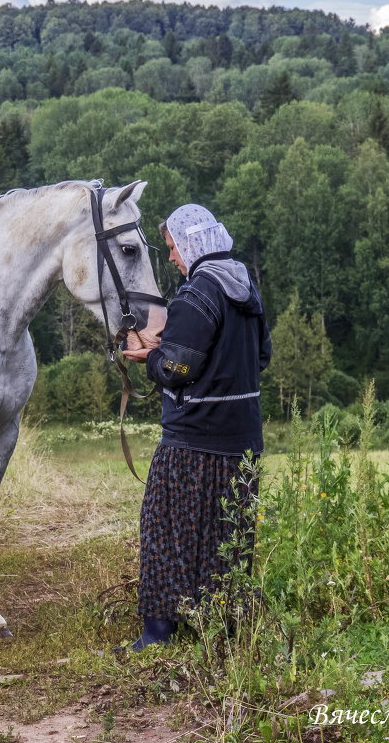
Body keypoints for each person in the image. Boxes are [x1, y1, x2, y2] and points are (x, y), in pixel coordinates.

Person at [122, 203, 272, 650]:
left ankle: (158, 633)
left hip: (192, 440)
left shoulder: (196, 293)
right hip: (242, 440)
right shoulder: (244, 285)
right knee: (225, 534)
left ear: (190, 244)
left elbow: (177, 369)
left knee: (165, 528)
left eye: (171, 247)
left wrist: (150, 355)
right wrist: (171, 344)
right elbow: (260, 356)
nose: (170, 258)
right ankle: (221, 627)